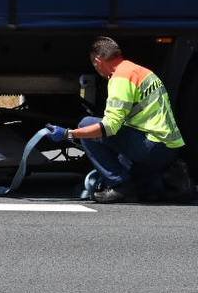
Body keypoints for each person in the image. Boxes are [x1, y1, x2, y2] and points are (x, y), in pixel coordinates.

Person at [45, 36, 190, 203]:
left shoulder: (120, 78)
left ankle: (119, 186)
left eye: (95, 65)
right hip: (169, 148)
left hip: (152, 147)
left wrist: (69, 134)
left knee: (86, 124)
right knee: (139, 182)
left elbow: (109, 127)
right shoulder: (139, 71)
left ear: (98, 61)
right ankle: (171, 178)